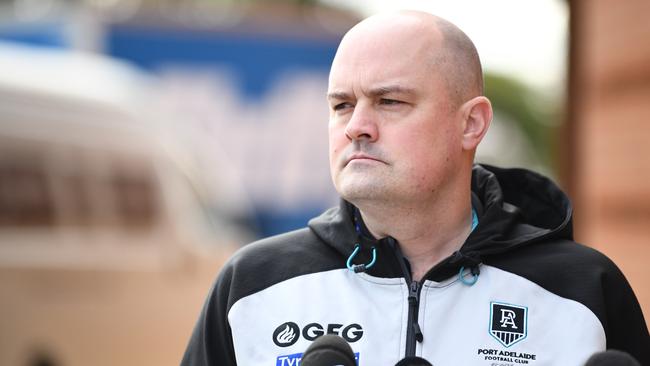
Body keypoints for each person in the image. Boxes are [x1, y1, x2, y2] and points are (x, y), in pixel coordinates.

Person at [181, 11, 650, 366]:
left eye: (389, 101)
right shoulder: (251, 286)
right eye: (342, 105)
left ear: (471, 124)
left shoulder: (584, 291)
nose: (357, 127)